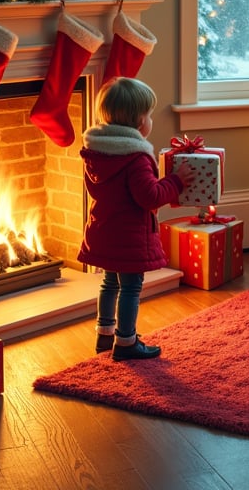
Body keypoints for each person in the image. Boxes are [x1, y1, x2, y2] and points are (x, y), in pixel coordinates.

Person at [78, 76, 194, 360]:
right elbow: (150, 197)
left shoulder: (96, 152)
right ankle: (126, 342)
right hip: (127, 235)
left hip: (102, 229)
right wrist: (175, 182)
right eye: (150, 115)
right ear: (140, 121)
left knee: (109, 283)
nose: (151, 120)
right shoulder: (135, 158)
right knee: (131, 287)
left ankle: (105, 336)